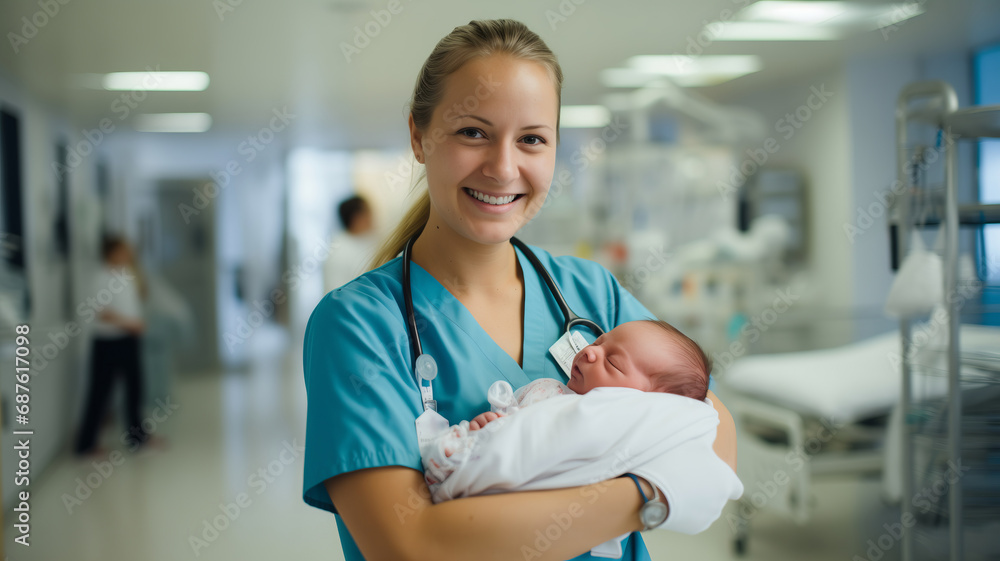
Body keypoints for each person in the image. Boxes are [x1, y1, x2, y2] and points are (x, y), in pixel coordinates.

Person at [302, 19, 736, 560]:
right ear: (418, 136)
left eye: (531, 139)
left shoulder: (589, 292)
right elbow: (411, 546)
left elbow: (712, 431)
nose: (503, 168)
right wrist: (649, 495)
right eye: (473, 132)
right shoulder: (357, 325)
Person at [466, 319, 710, 434]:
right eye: (598, 341)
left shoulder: (611, 436)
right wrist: (492, 424)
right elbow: (507, 426)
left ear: (650, 403)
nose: (590, 351)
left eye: (612, 362)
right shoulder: (546, 390)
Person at [75, 235, 150, 456]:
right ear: (111, 253)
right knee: (100, 392)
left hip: (128, 340)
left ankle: (138, 437)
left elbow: (139, 297)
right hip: (108, 342)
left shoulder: (126, 274)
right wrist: (131, 324)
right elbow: (103, 313)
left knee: (135, 388)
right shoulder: (101, 278)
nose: (129, 255)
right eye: (124, 251)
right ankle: (86, 444)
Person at [322, 194, 377, 293]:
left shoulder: (366, 241)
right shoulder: (339, 251)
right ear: (357, 218)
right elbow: (336, 292)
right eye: (368, 212)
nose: (372, 217)